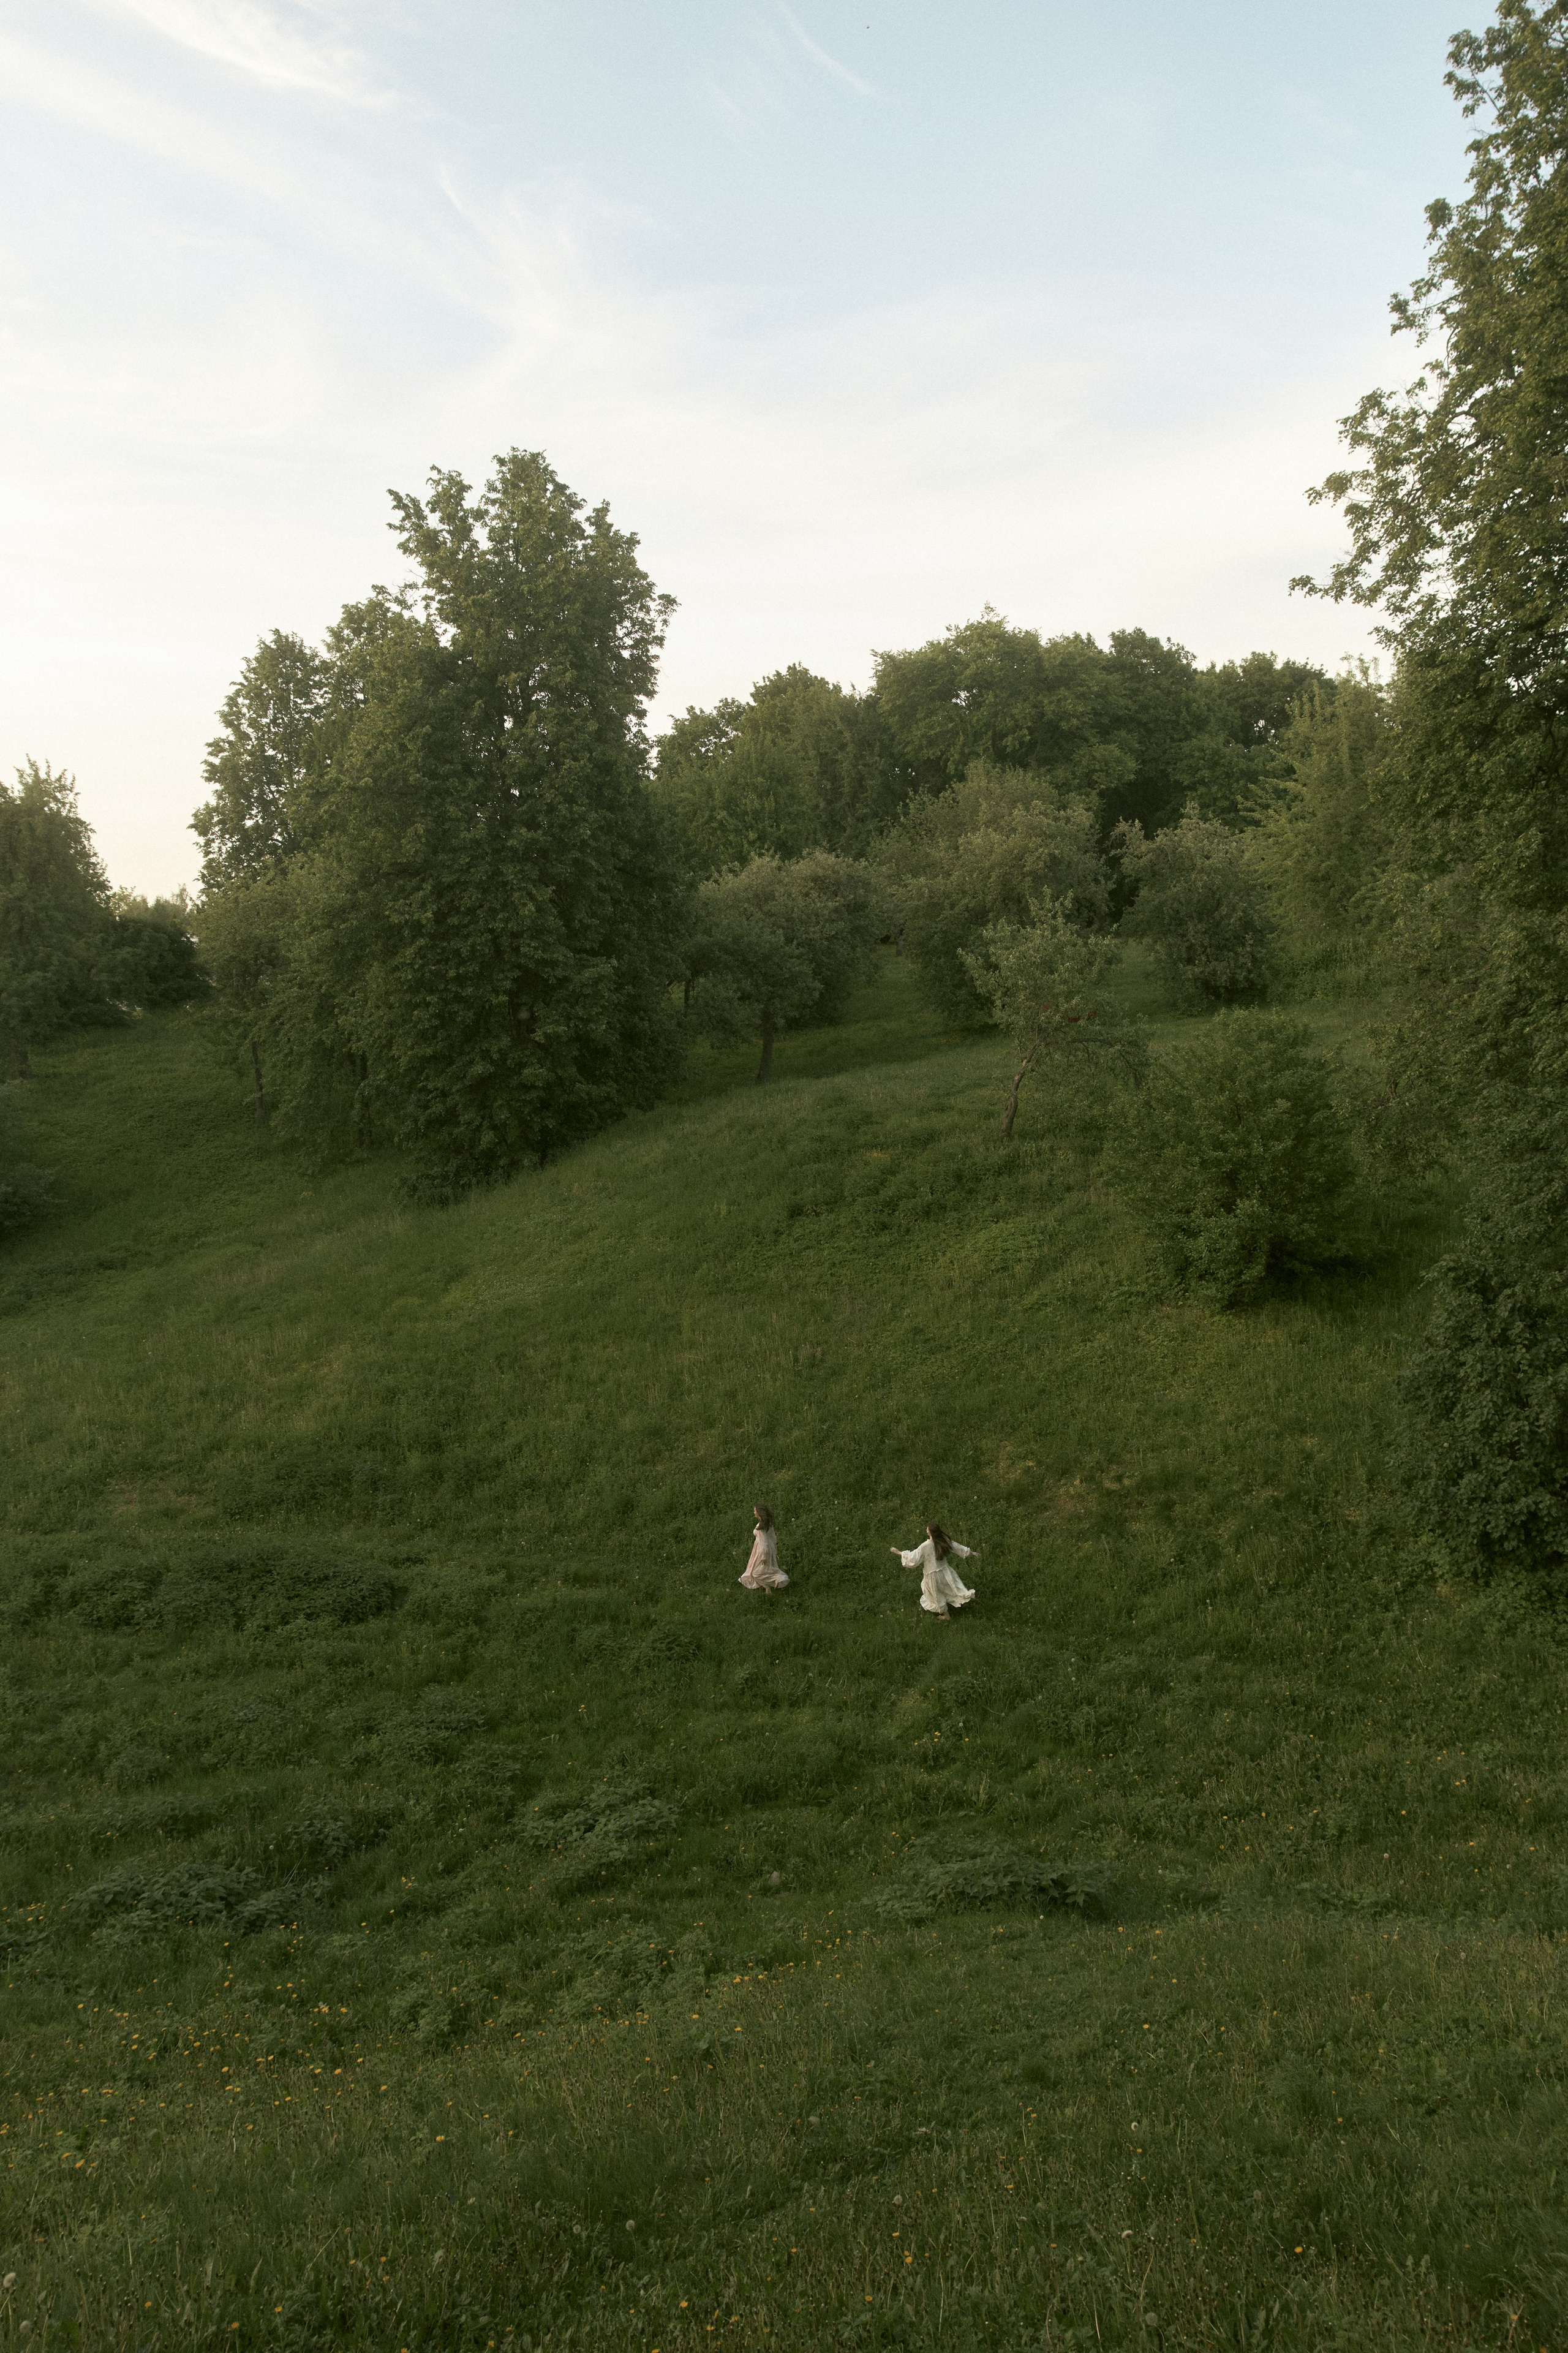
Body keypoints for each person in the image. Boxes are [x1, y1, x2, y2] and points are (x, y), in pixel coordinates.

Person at [890, 1522, 976, 1619]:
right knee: (951, 1588)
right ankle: (957, 1603)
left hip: (932, 1577)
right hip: (945, 1573)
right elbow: (957, 1547)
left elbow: (913, 1558)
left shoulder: (925, 1546)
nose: (926, 1530)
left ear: (930, 1532)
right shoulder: (943, 1541)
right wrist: (971, 1553)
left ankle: (946, 1616)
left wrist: (900, 1553)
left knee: (935, 1594)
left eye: (927, 1529)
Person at [739, 1503, 789, 1592]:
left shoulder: (760, 1527)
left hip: (762, 1550)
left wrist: (764, 1555)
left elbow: (763, 1542)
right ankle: (768, 1588)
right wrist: (773, 1547)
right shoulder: (768, 1524)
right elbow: (773, 1537)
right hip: (770, 1548)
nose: (754, 1512)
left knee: (755, 1572)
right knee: (767, 1569)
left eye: (755, 1511)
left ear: (759, 1513)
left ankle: (778, 1579)